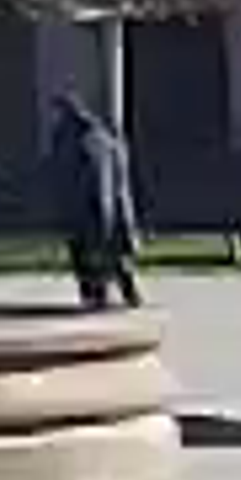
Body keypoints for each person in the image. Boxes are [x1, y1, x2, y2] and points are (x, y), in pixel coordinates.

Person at [41, 86, 143, 313]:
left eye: (58, 111)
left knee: (99, 253)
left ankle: (105, 293)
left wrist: (100, 207)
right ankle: (104, 293)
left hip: (92, 208)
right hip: (91, 207)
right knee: (102, 253)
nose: (54, 117)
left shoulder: (86, 139)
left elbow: (98, 178)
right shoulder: (91, 137)